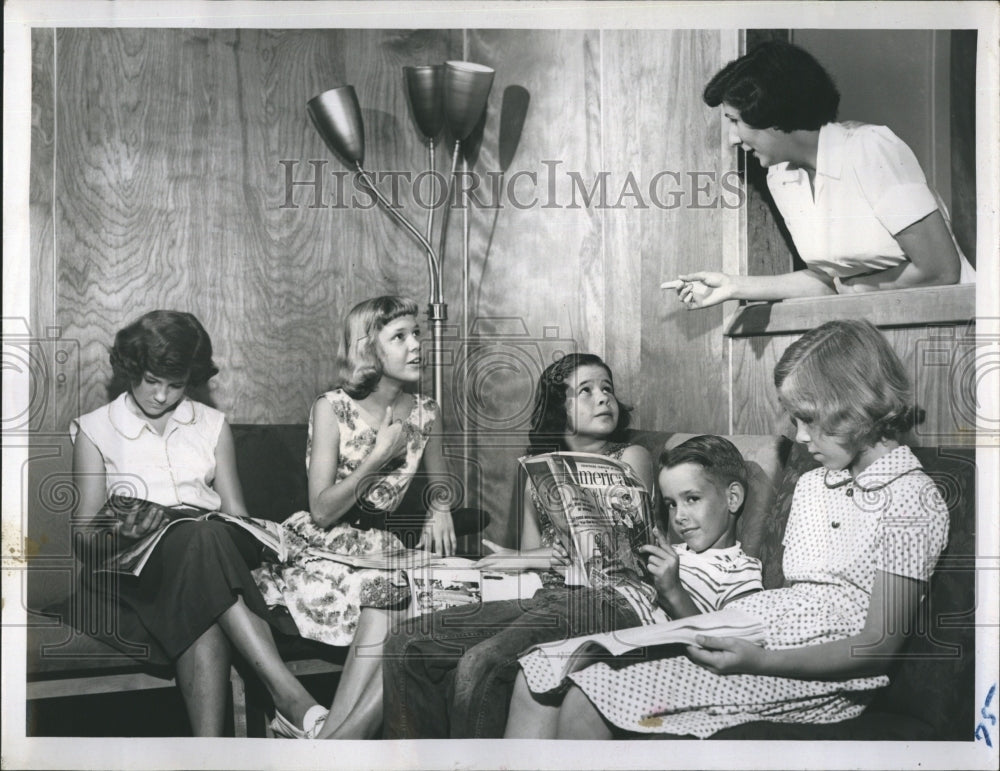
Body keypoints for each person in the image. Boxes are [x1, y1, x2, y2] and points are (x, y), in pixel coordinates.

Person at [541, 319, 950, 739]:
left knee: (588, 698)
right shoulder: (815, 482)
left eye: (809, 419)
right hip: (751, 631)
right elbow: (794, 599)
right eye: (795, 419)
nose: (800, 436)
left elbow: (877, 646)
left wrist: (758, 660)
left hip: (809, 669)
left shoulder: (911, 498)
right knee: (552, 669)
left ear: (855, 404)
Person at [70, 310, 326, 738]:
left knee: (202, 547)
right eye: (152, 380)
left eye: (176, 385)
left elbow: (236, 515)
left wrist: (267, 537)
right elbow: (82, 536)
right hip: (130, 571)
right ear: (131, 369)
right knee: (199, 548)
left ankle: (208, 754)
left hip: (204, 555)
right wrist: (122, 530)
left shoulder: (211, 424)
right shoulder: (96, 430)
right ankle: (288, 697)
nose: (161, 396)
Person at [381, 353, 658, 739]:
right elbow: (535, 557)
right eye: (585, 390)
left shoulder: (630, 457)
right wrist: (517, 558)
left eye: (607, 388)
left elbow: (623, 547)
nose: (602, 397)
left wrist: (534, 557)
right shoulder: (537, 471)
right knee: (406, 642)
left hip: (610, 597)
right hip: (551, 596)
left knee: (480, 663)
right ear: (557, 410)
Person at [252, 295, 456, 739]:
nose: (415, 345)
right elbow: (322, 509)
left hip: (382, 549)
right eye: (399, 337)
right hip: (325, 547)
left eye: (416, 334)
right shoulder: (331, 407)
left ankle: (330, 744)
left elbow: (441, 482)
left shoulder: (426, 412)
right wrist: (378, 456)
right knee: (390, 601)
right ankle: (339, 743)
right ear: (368, 348)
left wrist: (440, 506)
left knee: (424, 601)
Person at [675, 40, 973, 309]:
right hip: (878, 323)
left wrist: (851, 289)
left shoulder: (870, 149)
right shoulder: (781, 177)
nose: (732, 139)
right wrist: (732, 286)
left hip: (951, 319)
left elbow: (940, 270)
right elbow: (828, 281)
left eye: (734, 121)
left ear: (773, 116)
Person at [504, 434, 764, 738]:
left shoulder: (740, 568)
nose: (679, 516)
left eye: (692, 499)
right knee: (532, 671)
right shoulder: (670, 552)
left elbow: (733, 647)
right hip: (602, 610)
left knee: (566, 680)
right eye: (670, 504)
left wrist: (674, 591)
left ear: (732, 498)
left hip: (641, 639)